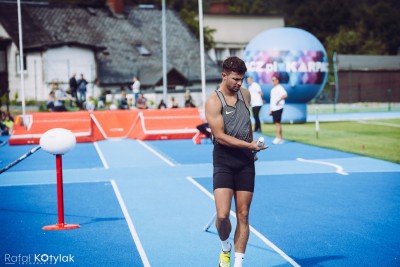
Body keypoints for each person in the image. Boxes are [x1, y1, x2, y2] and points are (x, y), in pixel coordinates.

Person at [205, 56, 267, 267]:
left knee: (243, 213)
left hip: (244, 162)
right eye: (235, 79)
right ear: (224, 75)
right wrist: (248, 146)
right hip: (223, 160)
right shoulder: (213, 101)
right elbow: (220, 136)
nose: (239, 83)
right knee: (223, 215)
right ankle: (225, 248)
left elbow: (246, 122)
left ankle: (238, 264)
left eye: (241, 79)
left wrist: (251, 147)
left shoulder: (245, 94)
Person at [269, 74, 288, 144]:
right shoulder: (273, 89)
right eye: (272, 80)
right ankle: (281, 138)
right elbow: (272, 100)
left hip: (278, 108)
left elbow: (285, 95)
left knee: (277, 123)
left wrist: (279, 100)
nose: (273, 81)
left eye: (274, 80)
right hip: (274, 108)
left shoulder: (280, 88)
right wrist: (270, 109)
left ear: (277, 81)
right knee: (277, 123)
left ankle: (277, 137)